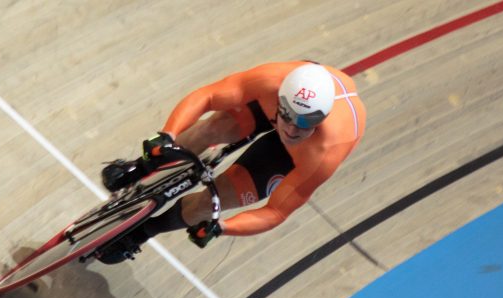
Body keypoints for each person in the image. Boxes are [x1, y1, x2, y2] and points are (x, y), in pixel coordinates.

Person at [96, 60, 366, 264]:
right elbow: (208, 97)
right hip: (273, 102)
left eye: (307, 123)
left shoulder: (325, 152)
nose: (293, 130)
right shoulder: (270, 81)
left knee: (210, 204)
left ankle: (142, 232)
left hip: (296, 154)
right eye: (288, 117)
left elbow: (276, 212)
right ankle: (139, 167)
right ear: (280, 101)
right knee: (214, 128)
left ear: (322, 119)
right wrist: (167, 134)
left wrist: (222, 227)